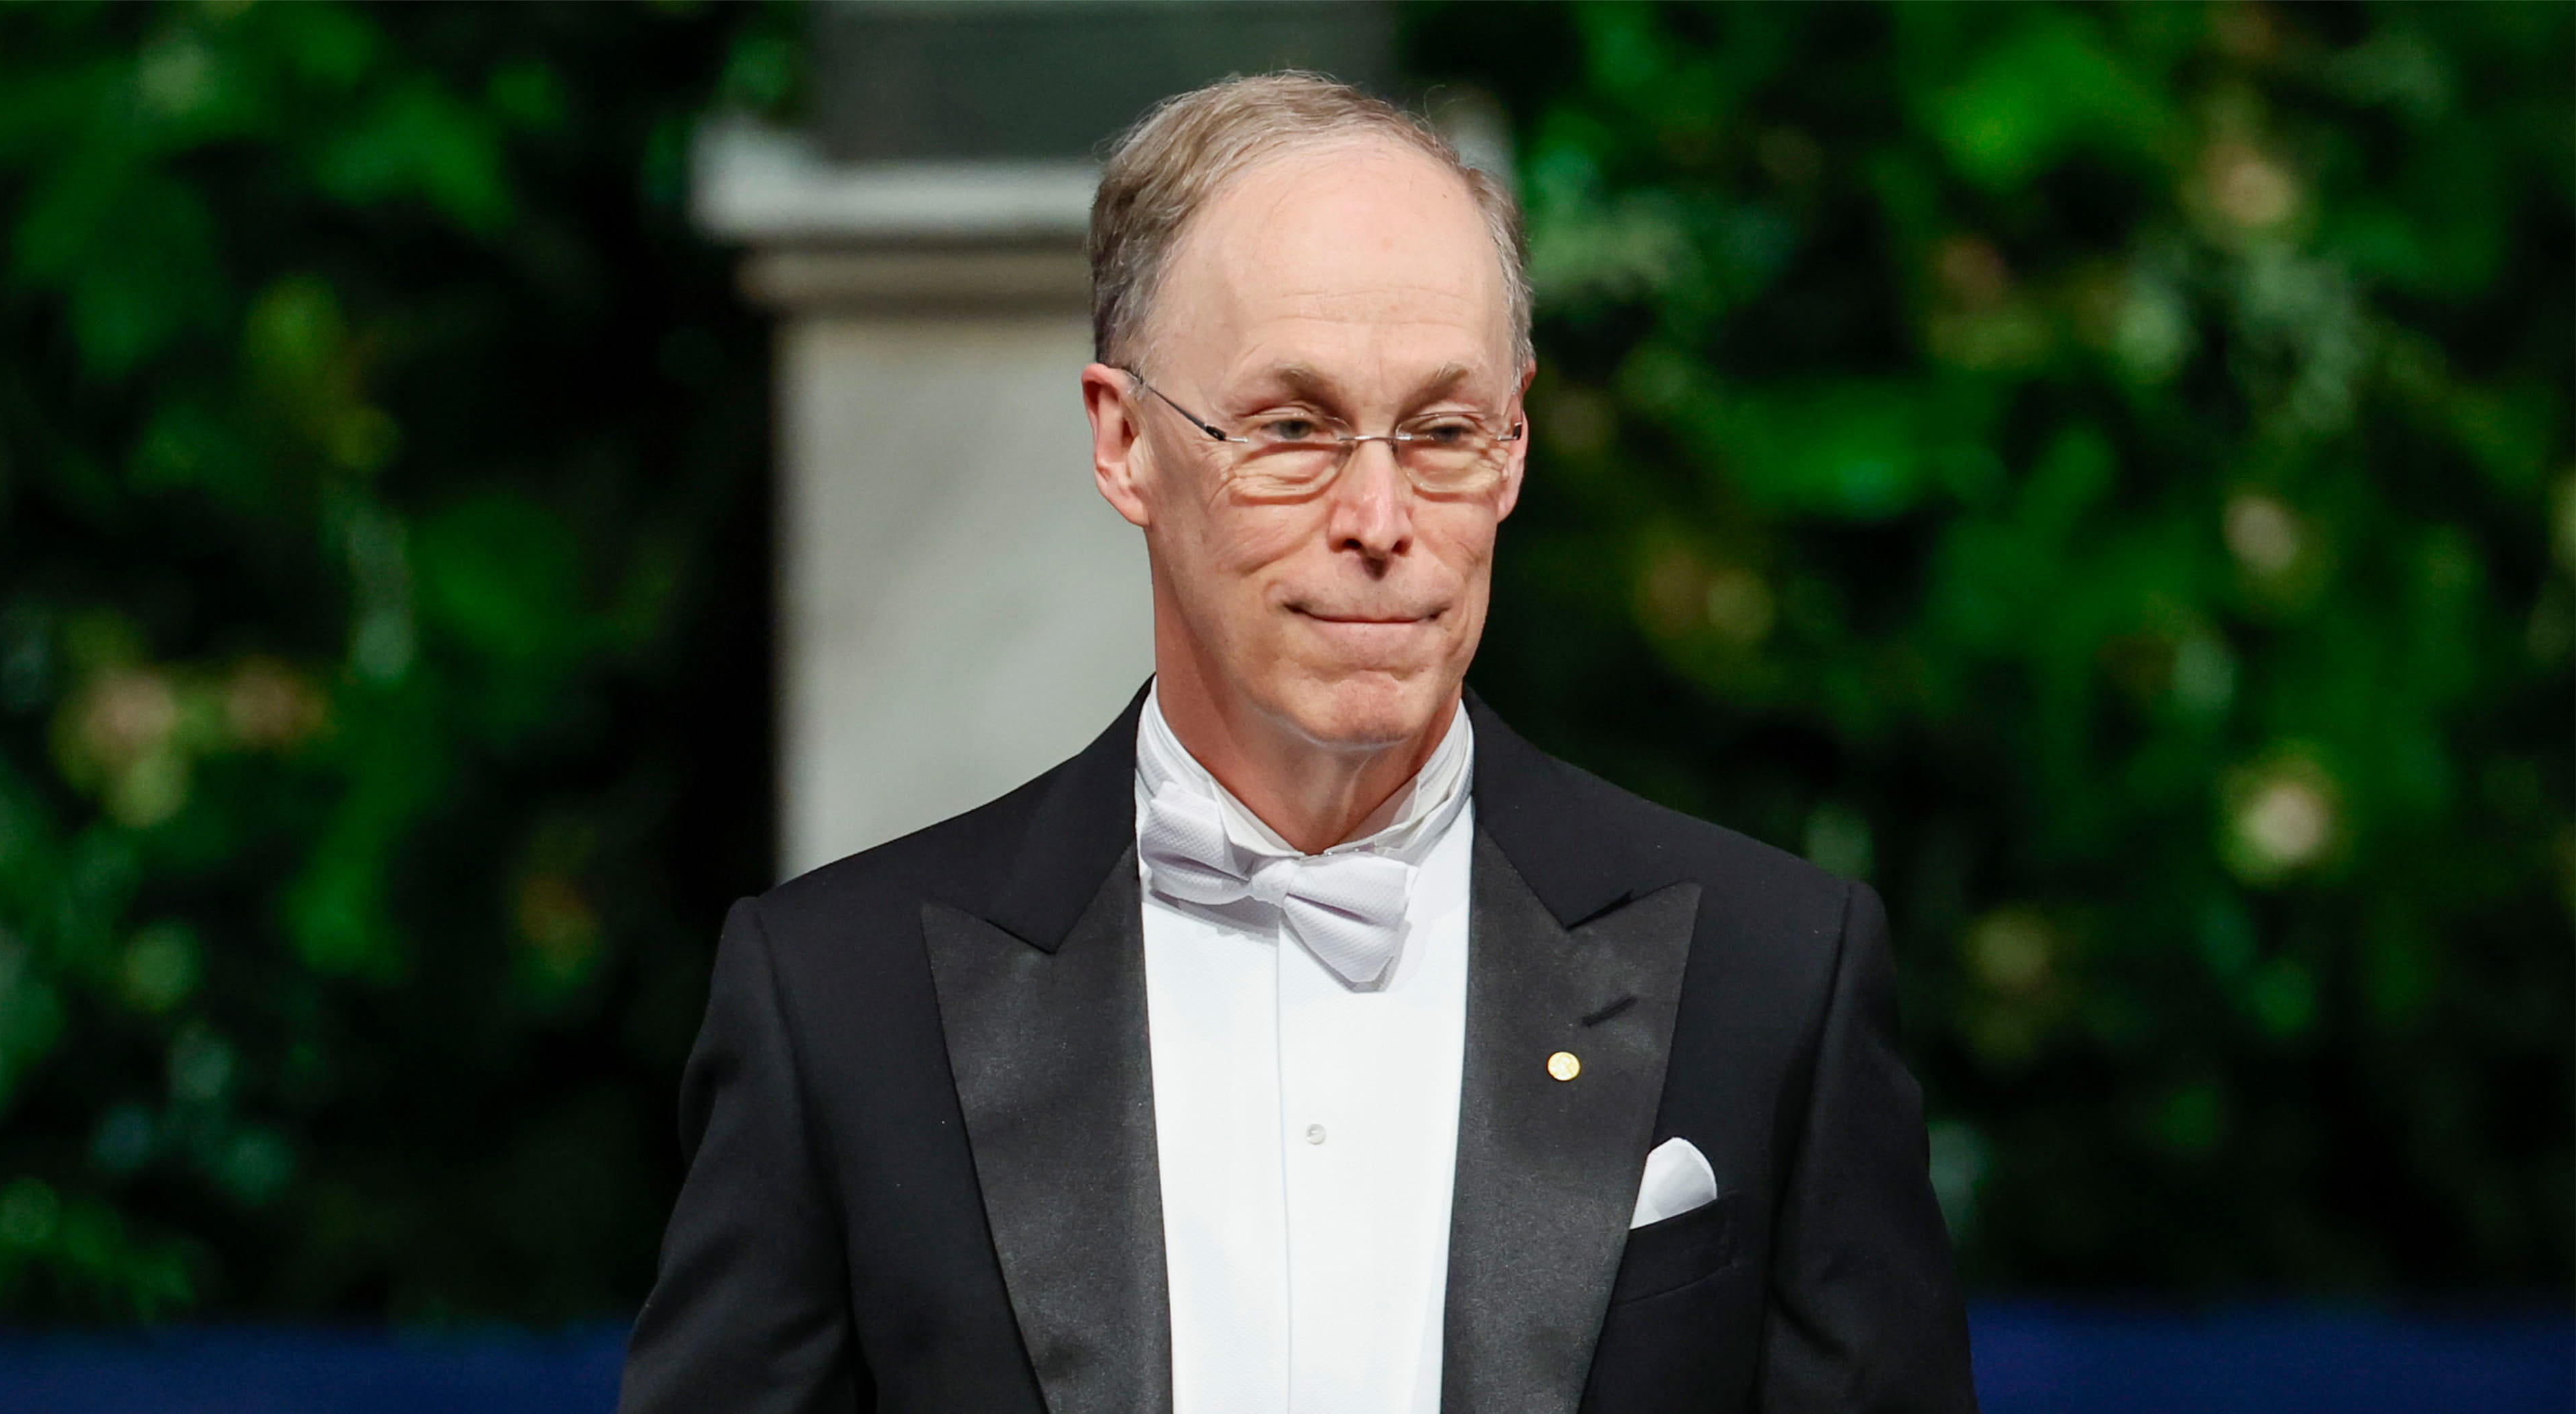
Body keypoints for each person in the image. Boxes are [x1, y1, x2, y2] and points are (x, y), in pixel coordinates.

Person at [620, 73, 1975, 1414]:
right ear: (1124, 441)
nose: (1379, 517)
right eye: (1291, 429)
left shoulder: (1770, 976)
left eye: (1443, 431)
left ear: (1511, 448)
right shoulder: (840, 1006)